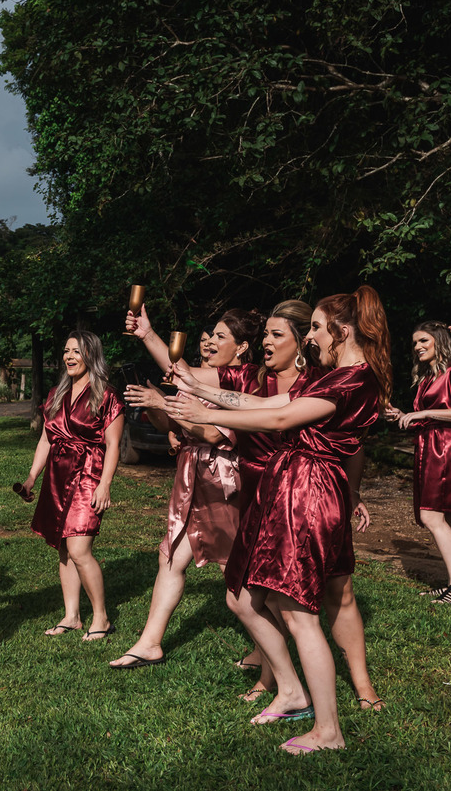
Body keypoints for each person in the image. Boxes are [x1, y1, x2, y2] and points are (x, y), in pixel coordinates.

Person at [166, 285, 393, 754]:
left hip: (308, 492)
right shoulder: (338, 375)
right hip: (290, 487)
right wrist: (205, 391)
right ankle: (292, 693)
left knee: (298, 612)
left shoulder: (353, 379)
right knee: (245, 596)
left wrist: (203, 408)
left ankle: (328, 730)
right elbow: (267, 405)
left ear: (342, 330)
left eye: (315, 327)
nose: (311, 337)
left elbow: (278, 421)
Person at [109, 310, 260, 667]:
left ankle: (269, 645)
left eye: (221, 337)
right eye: (210, 335)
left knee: (232, 567)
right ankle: (150, 643)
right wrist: (158, 404)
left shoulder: (247, 383)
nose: (210, 341)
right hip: (191, 476)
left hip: (222, 480)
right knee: (171, 554)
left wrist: (148, 337)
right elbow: (175, 405)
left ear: (242, 348)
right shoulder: (205, 380)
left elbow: (212, 433)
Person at [20, 331, 124, 641]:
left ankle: (102, 617)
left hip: (88, 473)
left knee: (80, 549)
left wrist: (104, 485)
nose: (69, 356)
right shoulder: (55, 394)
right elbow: (46, 439)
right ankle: (72, 616)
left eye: (76, 351)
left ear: (91, 355)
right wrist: (31, 478)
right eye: (66, 351)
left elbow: (114, 444)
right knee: (63, 547)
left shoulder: (106, 395)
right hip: (57, 474)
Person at [385, 321, 451, 604]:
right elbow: (430, 416)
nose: (417, 347)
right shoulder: (428, 376)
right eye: (415, 343)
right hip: (432, 445)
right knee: (446, 517)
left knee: (431, 516)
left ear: (439, 340)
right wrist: (405, 414)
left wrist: (423, 412)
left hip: (449, 447)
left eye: (423, 341)